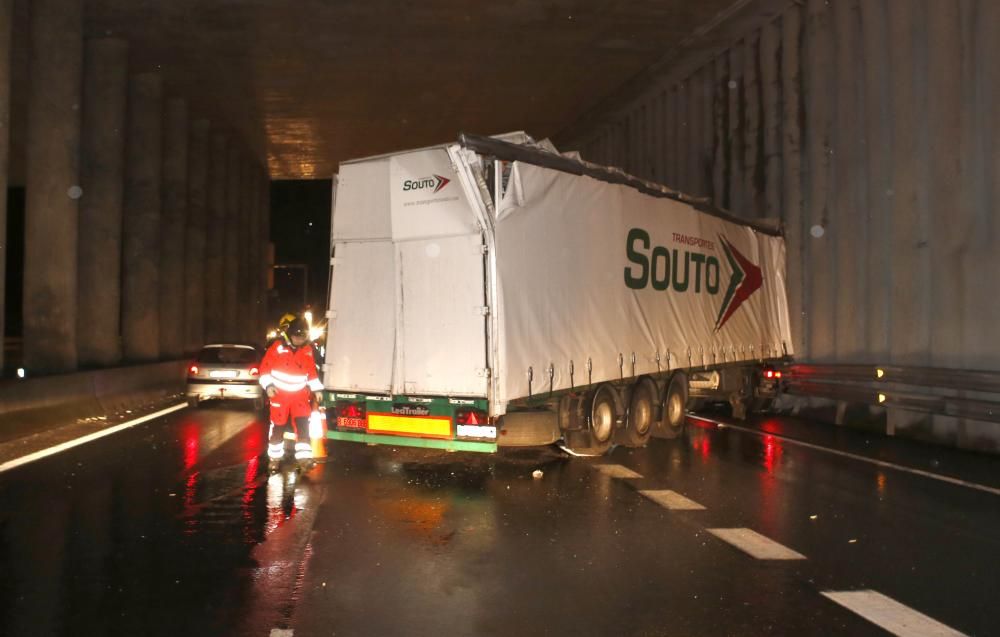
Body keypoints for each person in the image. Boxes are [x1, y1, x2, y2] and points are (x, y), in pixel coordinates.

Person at [259, 316, 324, 472]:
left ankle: (303, 459)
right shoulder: (277, 347)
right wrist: (268, 386)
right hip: (279, 395)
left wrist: (317, 389)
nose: (299, 340)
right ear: (289, 334)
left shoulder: (307, 350)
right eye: (296, 336)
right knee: (278, 428)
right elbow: (264, 369)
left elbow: (312, 373)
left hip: (299, 395)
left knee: (303, 427)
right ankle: (274, 458)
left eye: (302, 337)